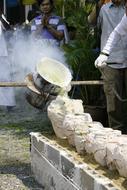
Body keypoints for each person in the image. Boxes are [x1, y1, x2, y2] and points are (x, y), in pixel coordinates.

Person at [94, 5, 127, 133]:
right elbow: (117, 32)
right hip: (113, 62)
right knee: (113, 104)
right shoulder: (105, 9)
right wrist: (104, 53)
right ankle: (117, 138)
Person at [0, 9, 16, 112]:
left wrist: (1, 17)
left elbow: (9, 30)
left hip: (2, 54)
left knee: (5, 78)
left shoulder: (1, 19)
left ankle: (9, 103)